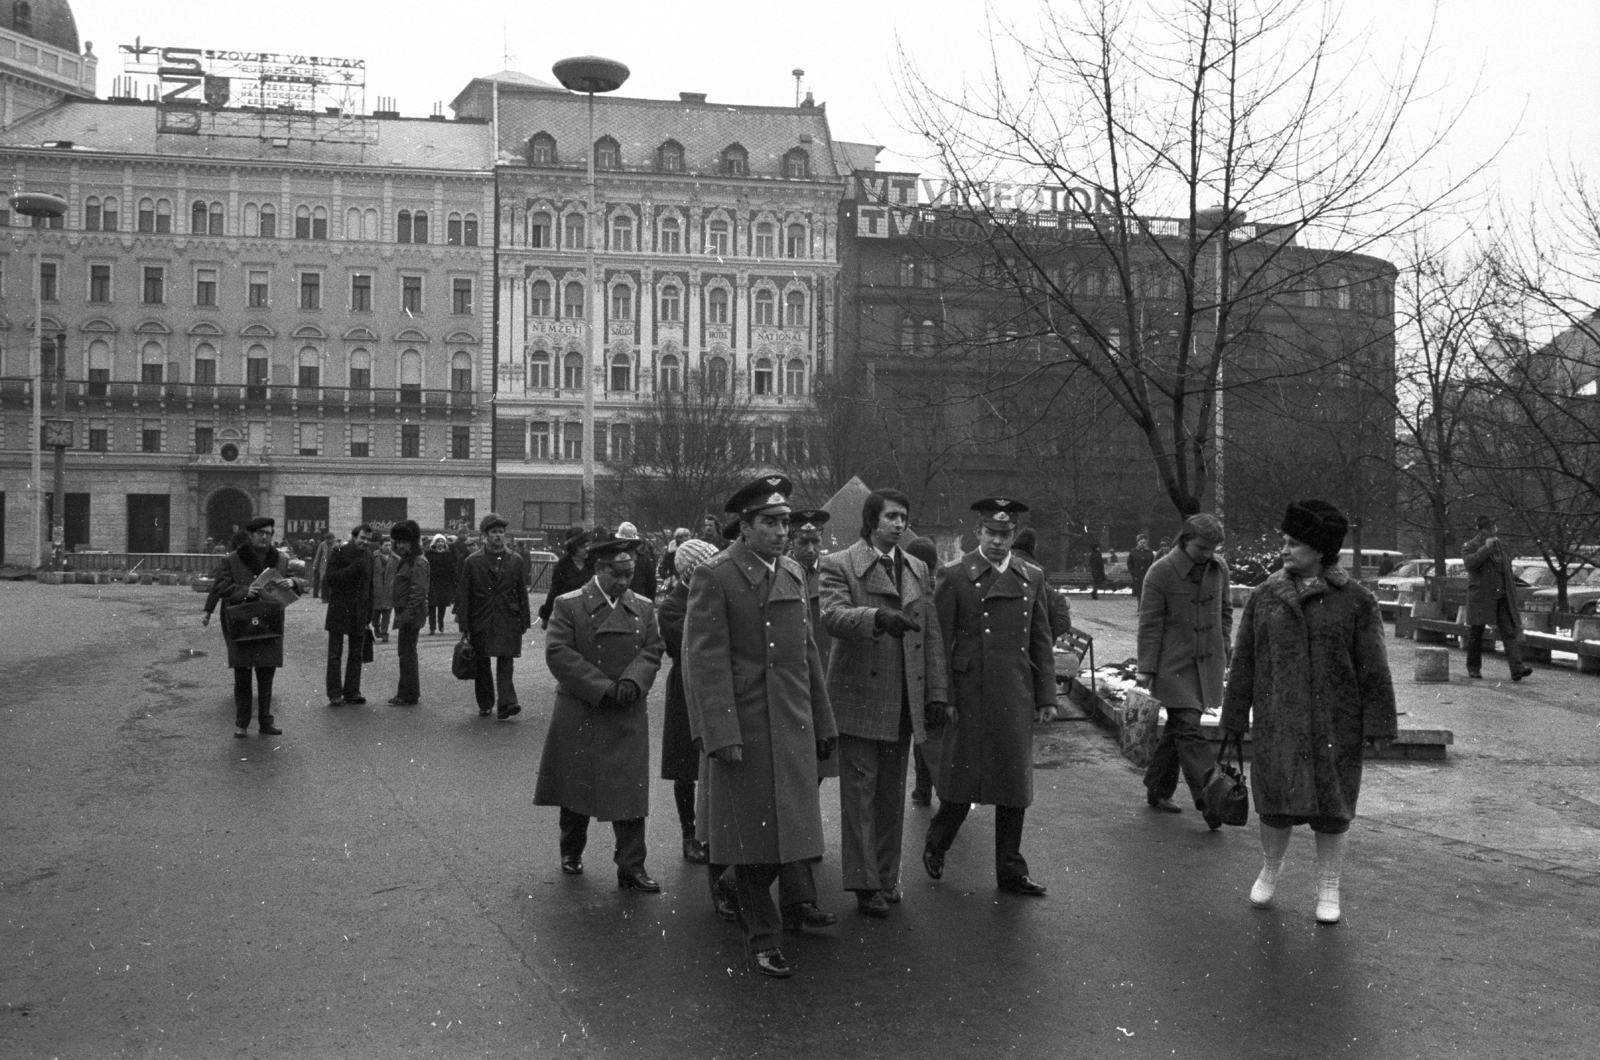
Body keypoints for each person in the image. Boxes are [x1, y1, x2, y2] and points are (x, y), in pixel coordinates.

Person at [684, 475, 837, 979]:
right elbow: (705, 662)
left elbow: (808, 654)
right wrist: (720, 733)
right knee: (752, 838)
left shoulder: (792, 572)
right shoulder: (717, 576)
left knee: (792, 832)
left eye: (785, 522)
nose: (781, 531)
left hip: (791, 722)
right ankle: (763, 938)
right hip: (745, 726)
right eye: (769, 522)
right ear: (744, 527)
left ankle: (729, 884)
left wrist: (823, 719)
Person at [1221, 499, 1397, 924]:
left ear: (1320, 550)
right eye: (1284, 540)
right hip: (1278, 718)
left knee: (1332, 809)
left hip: (1336, 722)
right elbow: (1244, 660)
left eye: (1294, 542)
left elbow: (1373, 664)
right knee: (1275, 803)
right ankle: (1270, 869)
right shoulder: (1265, 596)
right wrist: (1232, 717)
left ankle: (1329, 886)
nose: (1284, 549)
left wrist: (1378, 722)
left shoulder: (1356, 600)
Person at [820, 489, 949, 918]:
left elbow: (929, 636)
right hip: (858, 697)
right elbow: (833, 617)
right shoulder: (840, 564)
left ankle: (886, 877)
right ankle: (863, 883)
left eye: (903, 517)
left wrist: (935, 694)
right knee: (859, 795)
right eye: (891, 516)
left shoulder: (916, 567)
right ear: (872, 519)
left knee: (891, 796)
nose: (898, 524)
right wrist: (875, 618)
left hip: (903, 701)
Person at [922, 497, 1055, 897]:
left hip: (1013, 690)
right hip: (968, 692)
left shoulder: (1031, 575)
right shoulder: (954, 575)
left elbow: (1041, 640)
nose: (998, 541)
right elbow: (940, 641)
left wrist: (1046, 695)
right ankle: (937, 842)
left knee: (1012, 785)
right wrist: (941, 695)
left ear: (1014, 535)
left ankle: (1010, 870)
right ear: (977, 532)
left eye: (1006, 534)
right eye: (991, 533)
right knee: (963, 781)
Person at [535, 537, 666, 890]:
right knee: (576, 786)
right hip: (582, 706)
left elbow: (654, 648)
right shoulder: (568, 605)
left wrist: (632, 683)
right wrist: (601, 687)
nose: (625, 582)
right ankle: (571, 851)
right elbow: (558, 652)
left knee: (629, 791)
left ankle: (632, 866)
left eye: (630, 573)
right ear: (598, 569)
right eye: (617, 574)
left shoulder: (643, 607)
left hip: (625, 706)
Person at [1136, 514, 1232, 826]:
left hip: (1207, 664)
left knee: (1179, 728)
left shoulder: (1219, 569)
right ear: (1184, 540)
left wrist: (1224, 645)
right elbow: (1149, 624)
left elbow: (1226, 611)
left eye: (1213, 548)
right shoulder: (1160, 572)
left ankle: (1157, 788)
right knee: (1189, 728)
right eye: (1202, 547)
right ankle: (1213, 801)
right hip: (1171, 667)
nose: (1208, 554)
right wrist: (1146, 668)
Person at [657, 537, 720, 864]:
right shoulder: (671, 606)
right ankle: (689, 833)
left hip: (714, 684)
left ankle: (712, 830)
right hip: (686, 686)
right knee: (685, 767)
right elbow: (692, 645)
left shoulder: (711, 596)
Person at [213, 517, 302, 737]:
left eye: (269, 533)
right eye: (261, 533)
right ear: (251, 535)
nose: (265, 537)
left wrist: (293, 583)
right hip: (241, 623)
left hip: (269, 623)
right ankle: (242, 723)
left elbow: (295, 581)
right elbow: (221, 587)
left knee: (266, 674)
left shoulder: (280, 559)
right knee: (242, 675)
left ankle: (265, 721)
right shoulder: (232, 560)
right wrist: (244, 591)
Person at [456, 513, 532, 719]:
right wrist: (463, 622)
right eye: (494, 532)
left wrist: (525, 618)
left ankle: (507, 703)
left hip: (508, 616)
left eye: (501, 532)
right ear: (485, 536)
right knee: (482, 662)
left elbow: (521, 592)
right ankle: (485, 702)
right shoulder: (472, 561)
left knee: (506, 660)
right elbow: (465, 593)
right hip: (481, 617)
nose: (498, 536)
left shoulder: (515, 560)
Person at [1462, 515, 1532, 681]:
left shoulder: (1502, 546)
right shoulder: (1470, 546)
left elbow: (1506, 571)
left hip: (1500, 596)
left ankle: (1517, 668)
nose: (1495, 531)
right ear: (1483, 530)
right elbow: (1470, 564)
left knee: (1508, 631)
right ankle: (1473, 668)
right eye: (1491, 529)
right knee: (1476, 633)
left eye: (1494, 528)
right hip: (1481, 597)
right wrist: (1485, 549)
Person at [903, 535, 942, 808]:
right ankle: (941, 789)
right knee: (938, 737)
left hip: (917, 674)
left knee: (922, 736)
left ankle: (922, 787)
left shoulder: (909, 589)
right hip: (942, 676)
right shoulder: (943, 586)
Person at [323, 524, 374, 707]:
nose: (365, 542)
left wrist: (370, 613)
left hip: (360, 610)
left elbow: (371, 586)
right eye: (362, 538)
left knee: (356, 655)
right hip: (340, 608)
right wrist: (353, 568)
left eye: (368, 539)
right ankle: (335, 693)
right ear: (354, 537)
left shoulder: (369, 556)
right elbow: (330, 579)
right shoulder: (339, 551)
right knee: (335, 654)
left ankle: (352, 691)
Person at [387, 520, 429, 706]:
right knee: (406, 652)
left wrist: (407, 615)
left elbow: (418, 592)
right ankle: (408, 692)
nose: (400, 545)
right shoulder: (407, 560)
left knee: (407, 653)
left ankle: (407, 694)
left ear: (413, 542)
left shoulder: (418, 562)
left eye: (405, 542)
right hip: (406, 611)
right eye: (398, 542)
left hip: (411, 613)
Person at [1012, 527, 1072, 640]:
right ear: (1033, 546)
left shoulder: (1004, 559)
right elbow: (1063, 619)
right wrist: (1040, 638)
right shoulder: (1035, 569)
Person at [540, 529, 590, 629]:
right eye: (583, 547)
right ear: (573, 549)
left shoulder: (594, 563)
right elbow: (554, 592)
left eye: (588, 545)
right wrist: (546, 616)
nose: (587, 549)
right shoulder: (562, 566)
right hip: (570, 615)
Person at [616, 521, 659, 601]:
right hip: (631, 601)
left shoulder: (642, 558)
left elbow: (651, 584)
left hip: (634, 601)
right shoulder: (643, 558)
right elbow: (651, 585)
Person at [426, 535, 458, 635]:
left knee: (442, 605)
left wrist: (453, 583)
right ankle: (432, 627)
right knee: (431, 606)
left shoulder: (448, 554)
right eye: (438, 542)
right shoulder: (429, 554)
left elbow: (452, 569)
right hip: (432, 582)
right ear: (435, 543)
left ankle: (441, 623)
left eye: (442, 542)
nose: (440, 544)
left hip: (444, 583)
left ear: (445, 543)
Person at [370, 536, 397, 643]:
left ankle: (385, 633)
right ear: (380, 546)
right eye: (386, 545)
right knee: (375, 614)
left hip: (389, 590)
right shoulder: (373, 557)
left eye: (390, 545)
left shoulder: (396, 559)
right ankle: (376, 626)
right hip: (376, 590)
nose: (388, 547)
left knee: (387, 613)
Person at [1128, 534, 1156, 603]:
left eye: (1144, 543)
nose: (1142, 544)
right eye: (1141, 542)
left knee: (1147, 593)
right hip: (1137, 576)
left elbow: (1152, 562)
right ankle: (1139, 608)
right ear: (1137, 542)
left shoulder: (1149, 551)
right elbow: (1129, 563)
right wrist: (1133, 572)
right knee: (1139, 594)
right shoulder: (1133, 551)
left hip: (1147, 575)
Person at [311, 532, 334, 599]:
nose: (330, 540)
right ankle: (324, 597)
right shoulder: (322, 544)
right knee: (324, 580)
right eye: (328, 539)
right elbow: (318, 555)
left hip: (332, 565)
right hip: (323, 565)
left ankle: (329, 596)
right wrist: (315, 565)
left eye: (331, 539)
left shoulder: (335, 545)